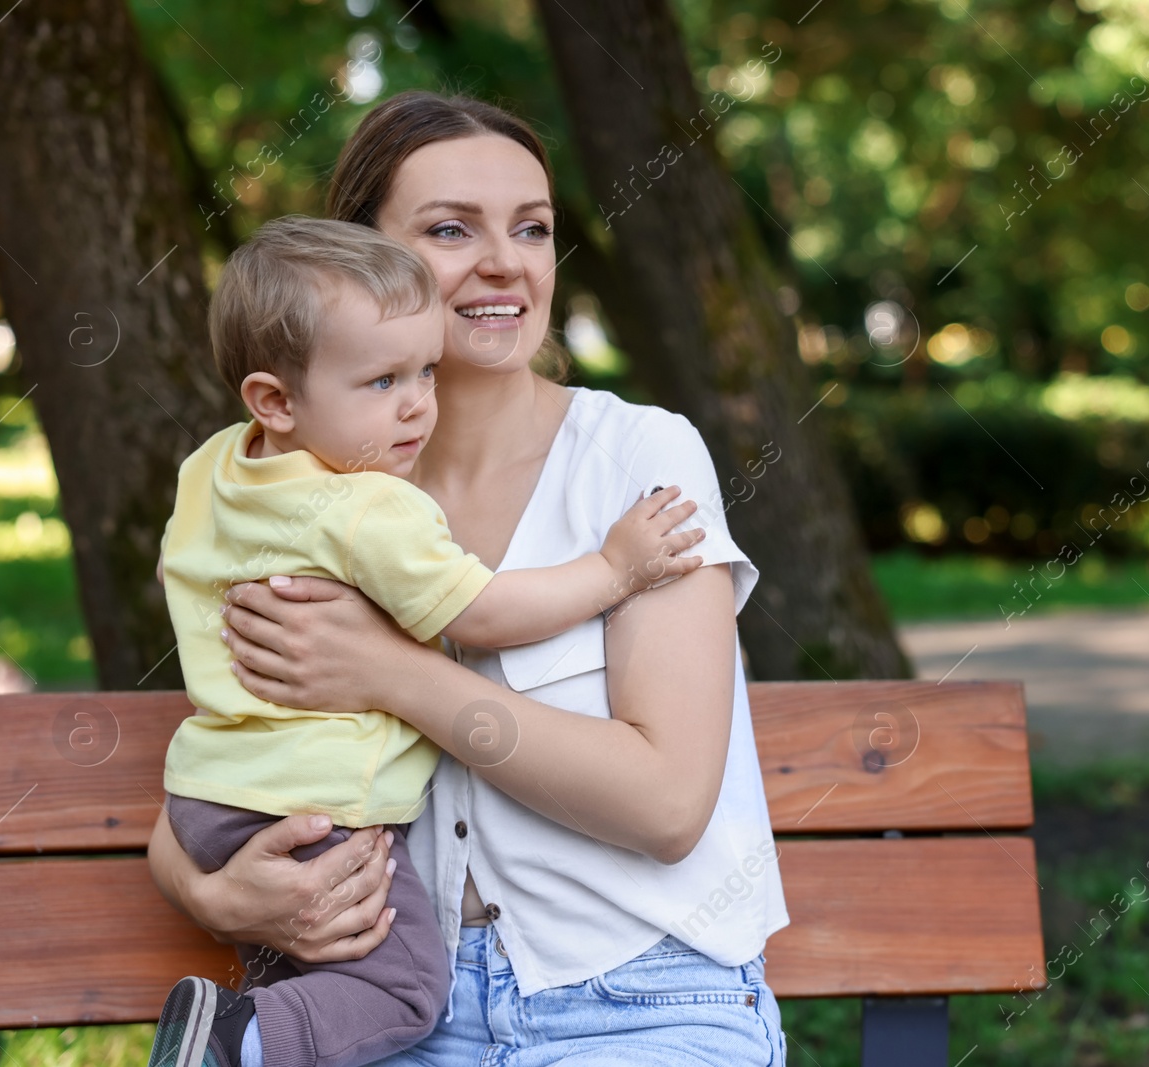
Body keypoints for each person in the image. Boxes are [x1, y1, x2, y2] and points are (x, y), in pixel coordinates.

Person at [147, 91, 790, 1067]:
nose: (505, 262)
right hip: (384, 1005)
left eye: (531, 228)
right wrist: (207, 893)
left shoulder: (637, 460)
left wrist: (393, 673)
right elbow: (233, 740)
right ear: (364, 260)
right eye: (451, 229)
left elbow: (666, 806)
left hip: (642, 998)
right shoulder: (292, 479)